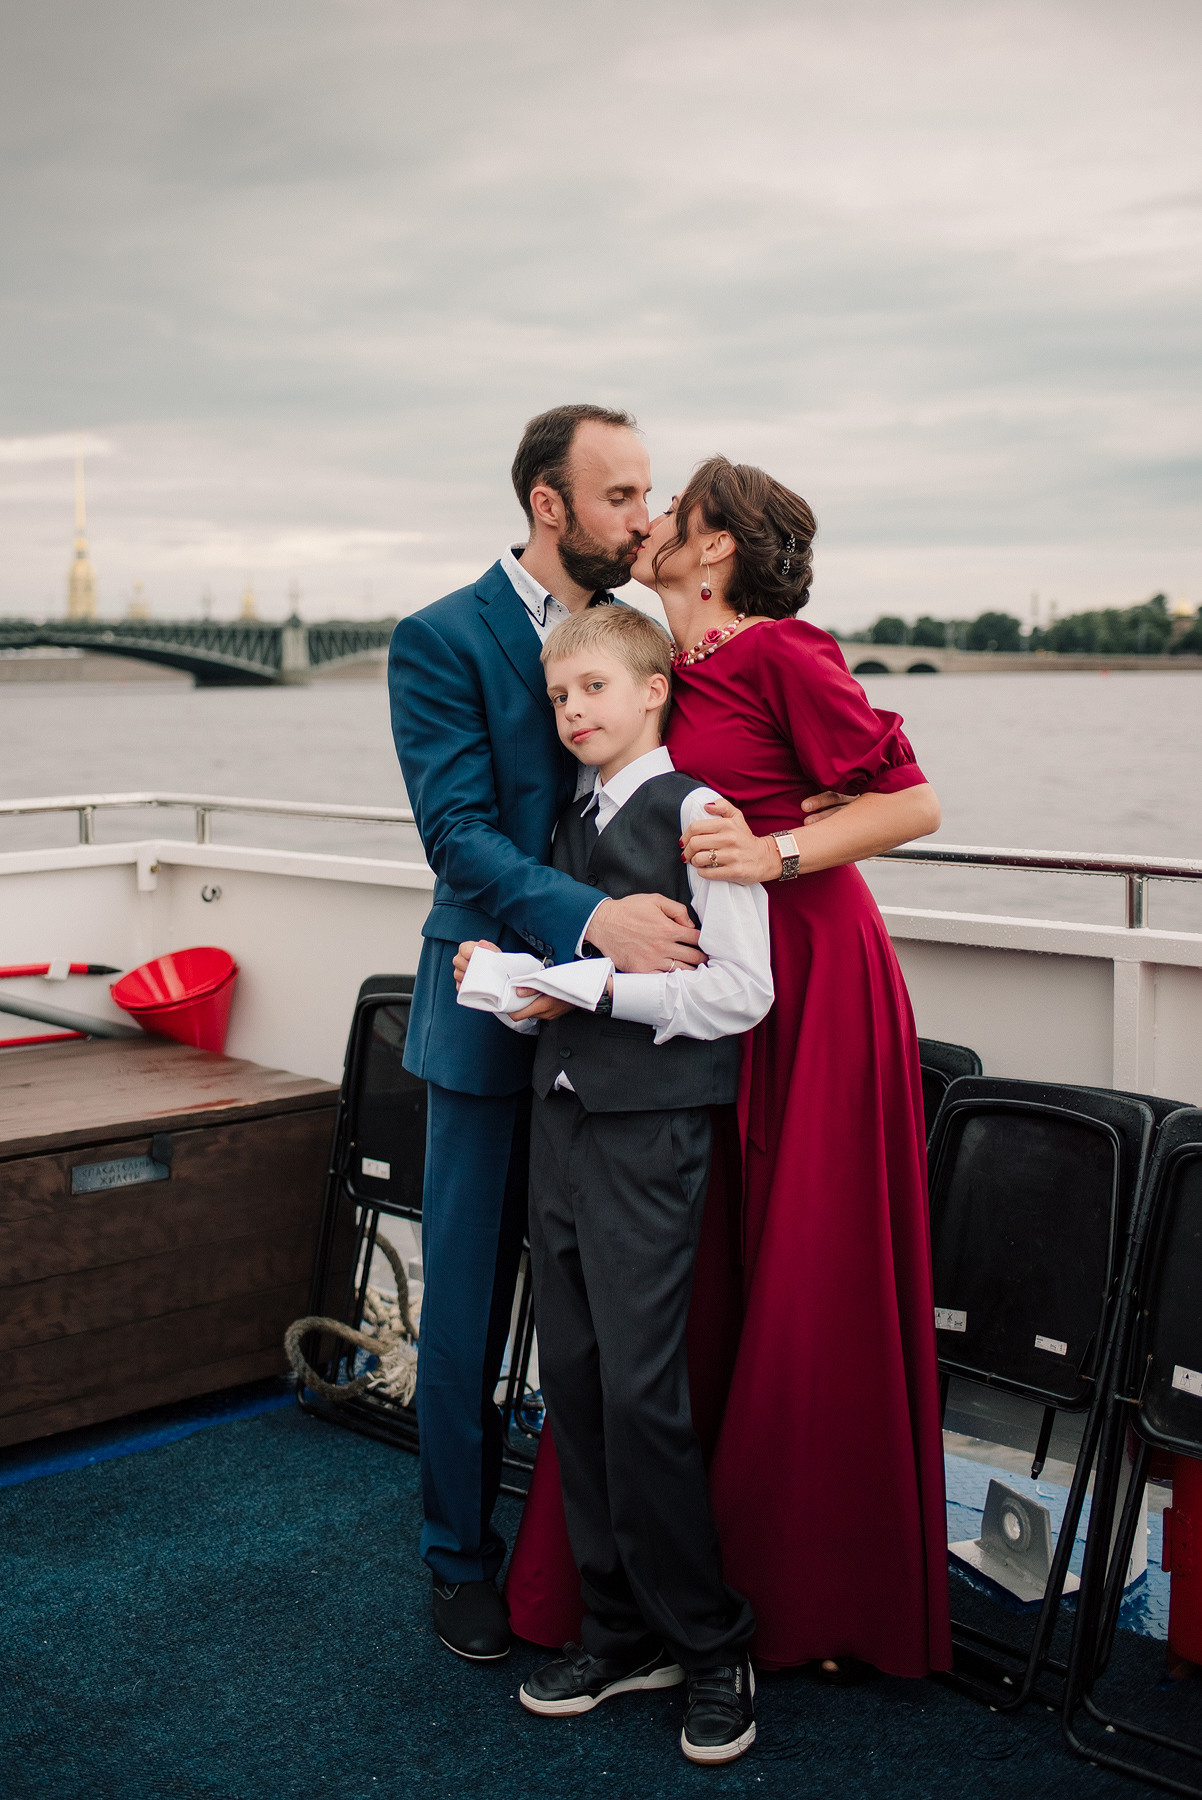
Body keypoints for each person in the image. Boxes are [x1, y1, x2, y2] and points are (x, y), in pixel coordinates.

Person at [505, 456, 953, 1683]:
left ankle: (795, 1587)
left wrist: (778, 853)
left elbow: (908, 804)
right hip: (698, 996)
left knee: (799, 1269)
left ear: (714, 550)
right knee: (699, 1292)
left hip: (805, 976)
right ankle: (663, 1599)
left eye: (670, 516)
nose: (646, 527)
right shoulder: (680, 664)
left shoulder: (781, 651)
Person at [387, 404, 711, 1663]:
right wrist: (593, 923)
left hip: (618, 1040)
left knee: (598, 1322)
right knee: (466, 1310)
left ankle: (597, 1570)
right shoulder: (439, 638)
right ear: (546, 504)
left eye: (648, 494)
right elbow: (456, 836)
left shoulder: (640, 633)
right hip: (485, 1018)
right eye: (622, 496)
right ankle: (456, 1560)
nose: (645, 517)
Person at [453, 603, 773, 1765]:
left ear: (651, 689)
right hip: (564, 1121)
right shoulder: (563, 818)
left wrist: (583, 988)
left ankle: (711, 1641)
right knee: (575, 1385)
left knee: (642, 1396)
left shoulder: (695, 813)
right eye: (558, 697)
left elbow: (738, 995)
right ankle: (617, 1627)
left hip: (650, 1135)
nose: (573, 711)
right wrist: (511, 975)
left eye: (592, 688)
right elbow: (575, 965)